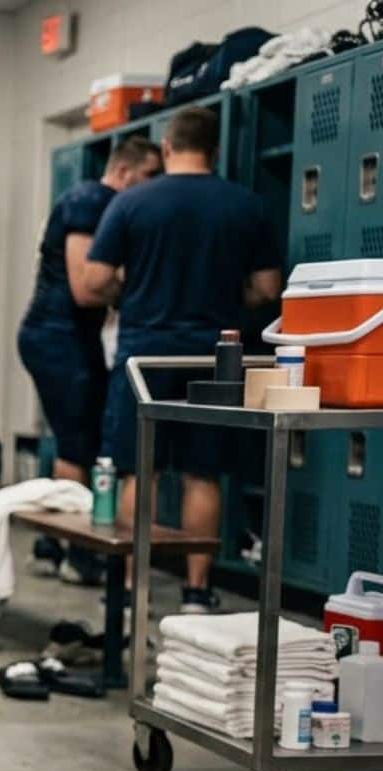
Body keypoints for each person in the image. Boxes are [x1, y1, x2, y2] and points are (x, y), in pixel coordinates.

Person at [82, 105, 282, 612]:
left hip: (143, 356)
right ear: (214, 152)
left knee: (138, 472)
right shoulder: (246, 205)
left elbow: (94, 279)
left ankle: (132, 586)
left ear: (167, 147)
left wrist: (135, 290)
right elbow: (268, 287)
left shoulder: (131, 203)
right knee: (202, 474)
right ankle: (196, 590)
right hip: (214, 357)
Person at [16, 135, 161, 582]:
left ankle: (55, 546)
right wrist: (135, 293)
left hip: (68, 338)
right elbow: (85, 287)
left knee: (78, 439)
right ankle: (74, 552)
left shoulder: (100, 204)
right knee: (78, 444)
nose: (154, 186)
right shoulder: (91, 201)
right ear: (124, 171)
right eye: (150, 176)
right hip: (56, 335)